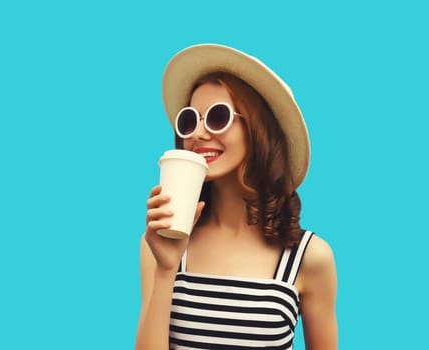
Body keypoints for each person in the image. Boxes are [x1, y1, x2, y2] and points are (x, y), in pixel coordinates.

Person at [135, 44, 338, 350]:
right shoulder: (162, 243)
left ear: (258, 129)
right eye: (190, 120)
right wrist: (166, 269)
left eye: (217, 117)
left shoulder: (309, 257)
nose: (199, 134)